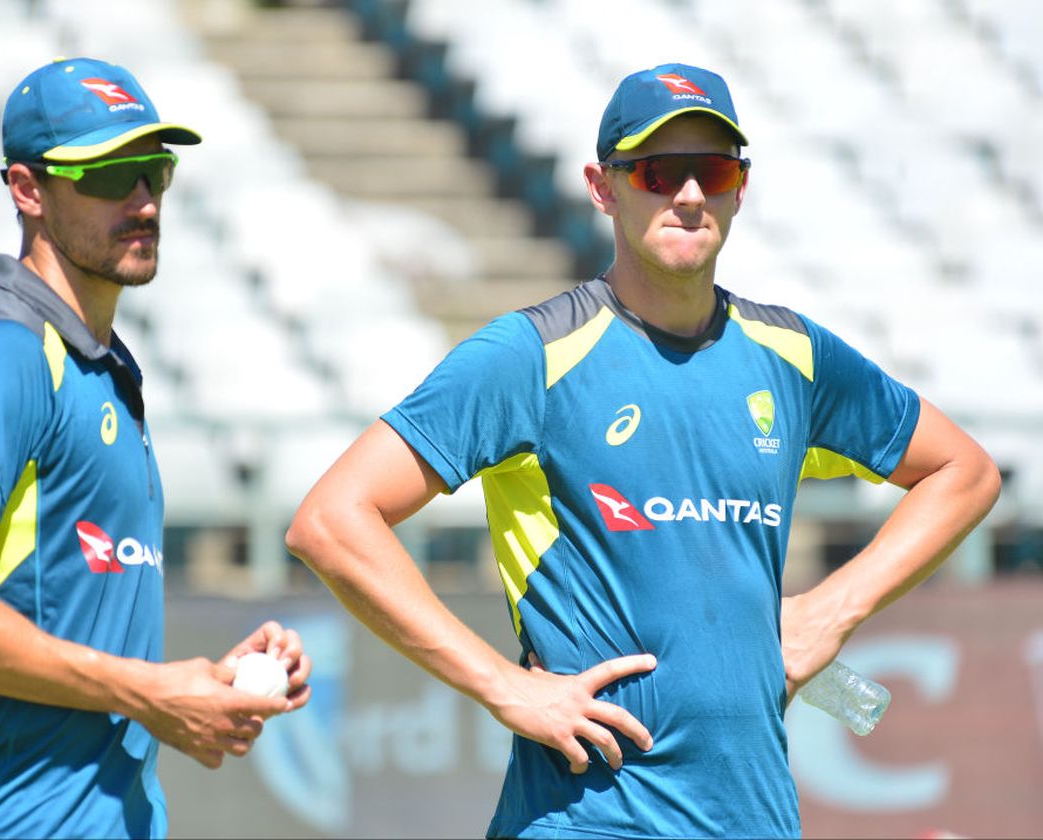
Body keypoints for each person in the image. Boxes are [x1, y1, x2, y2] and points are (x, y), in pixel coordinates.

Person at [285, 62, 1001, 838]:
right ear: (604, 187)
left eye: (713, 170)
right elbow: (331, 520)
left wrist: (834, 608)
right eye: (658, 172)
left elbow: (963, 470)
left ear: (740, 188)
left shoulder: (791, 356)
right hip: (588, 818)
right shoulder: (533, 355)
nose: (689, 195)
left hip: (756, 818)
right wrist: (501, 685)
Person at [0, 57, 312, 839]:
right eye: (109, 175)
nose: (143, 201)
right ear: (27, 190)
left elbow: (76, 642)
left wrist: (203, 685)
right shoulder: (1, 356)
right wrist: (148, 689)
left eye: (154, 171)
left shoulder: (103, 367)